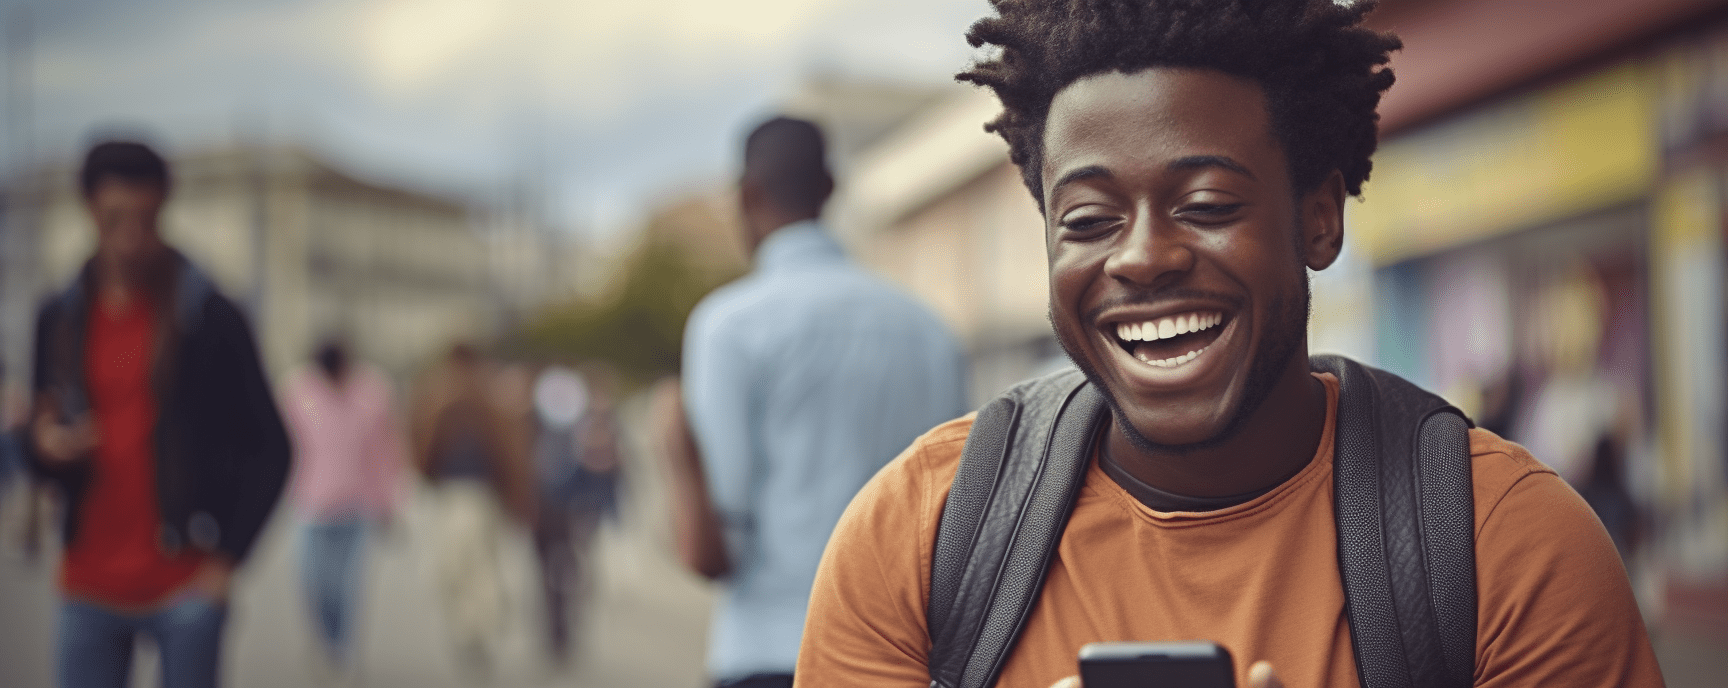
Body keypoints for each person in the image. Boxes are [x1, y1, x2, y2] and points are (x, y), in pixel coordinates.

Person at [794, 2, 1664, 687]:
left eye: (1207, 205)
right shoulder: (919, 534)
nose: (1140, 257)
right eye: (1089, 220)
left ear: (1318, 217)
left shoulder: (1507, 545)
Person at [668, 117, 968, 688]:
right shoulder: (929, 329)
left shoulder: (728, 326)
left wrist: (676, 454)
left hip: (772, 650)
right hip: (906, 657)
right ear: (830, 189)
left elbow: (714, 553)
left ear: (747, 194)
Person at [24, 140, 291, 688]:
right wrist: (44, 446)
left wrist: (226, 561)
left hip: (185, 584)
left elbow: (273, 446)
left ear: (164, 207)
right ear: (89, 208)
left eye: (144, 217)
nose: (130, 234)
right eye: (114, 217)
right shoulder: (59, 316)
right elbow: (39, 436)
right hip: (86, 584)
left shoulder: (208, 314)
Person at [279, 337, 406, 678]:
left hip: (358, 504)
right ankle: (324, 638)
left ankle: (344, 647)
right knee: (313, 580)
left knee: (349, 585)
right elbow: (281, 446)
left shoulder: (374, 391)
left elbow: (385, 452)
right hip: (311, 503)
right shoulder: (297, 391)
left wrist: (389, 501)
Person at [408, 343, 534, 675]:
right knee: (459, 567)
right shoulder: (453, 396)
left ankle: (475, 628)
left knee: (469, 566)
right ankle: (474, 625)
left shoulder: (480, 399)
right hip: (458, 494)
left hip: (473, 496)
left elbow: (510, 453)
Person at [528, 364, 620, 667]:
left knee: (567, 571)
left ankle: (562, 629)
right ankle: (557, 630)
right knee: (555, 573)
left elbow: (610, 472)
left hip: (570, 509)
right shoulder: (536, 423)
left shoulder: (591, 425)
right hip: (548, 509)